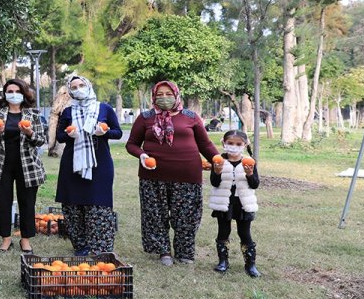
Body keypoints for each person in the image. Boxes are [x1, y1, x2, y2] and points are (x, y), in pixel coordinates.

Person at [126, 81, 219, 265]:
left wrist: (217, 159)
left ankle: (184, 252)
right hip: (152, 176)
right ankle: (163, 252)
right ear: (153, 96)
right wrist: (142, 155)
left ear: (176, 94)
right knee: (155, 214)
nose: (164, 98)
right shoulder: (145, 117)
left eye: (168, 94)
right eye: (160, 94)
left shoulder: (191, 117)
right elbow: (131, 144)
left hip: (188, 175)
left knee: (187, 215)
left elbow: (205, 144)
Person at [55, 75, 123, 256]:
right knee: (73, 205)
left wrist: (104, 132)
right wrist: (69, 135)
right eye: (74, 87)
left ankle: (101, 246)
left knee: (98, 204)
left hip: (100, 164)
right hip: (72, 164)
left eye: (81, 85)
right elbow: (59, 136)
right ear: (70, 91)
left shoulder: (104, 108)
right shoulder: (68, 112)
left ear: (88, 86)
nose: (78, 89)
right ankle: (81, 246)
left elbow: (118, 132)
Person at [0, 78, 47, 254]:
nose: (13, 94)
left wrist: (29, 133)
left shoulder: (33, 114)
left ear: (24, 93)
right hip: (1, 164)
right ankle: (6, 239)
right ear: (5, 94)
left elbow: (41, 140)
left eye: (17, 91)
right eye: (10, 91)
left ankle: (25, 239)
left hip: (27, 166)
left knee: (27, 202)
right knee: (3, 202)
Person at [209, 130, 261, 277]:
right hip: (224, 203)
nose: (234, 147)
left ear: (245, 145)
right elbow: (214, 183)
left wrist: (250, 174)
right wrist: (217, 172)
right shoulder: (218, 161)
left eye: (238, 144)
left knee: (244, 233)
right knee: (223, 232)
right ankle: (223, 262)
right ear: (223, 143)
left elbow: (255, 184)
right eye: (230, 143)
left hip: (242, 203)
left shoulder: (250, 162)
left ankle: (250, 264)